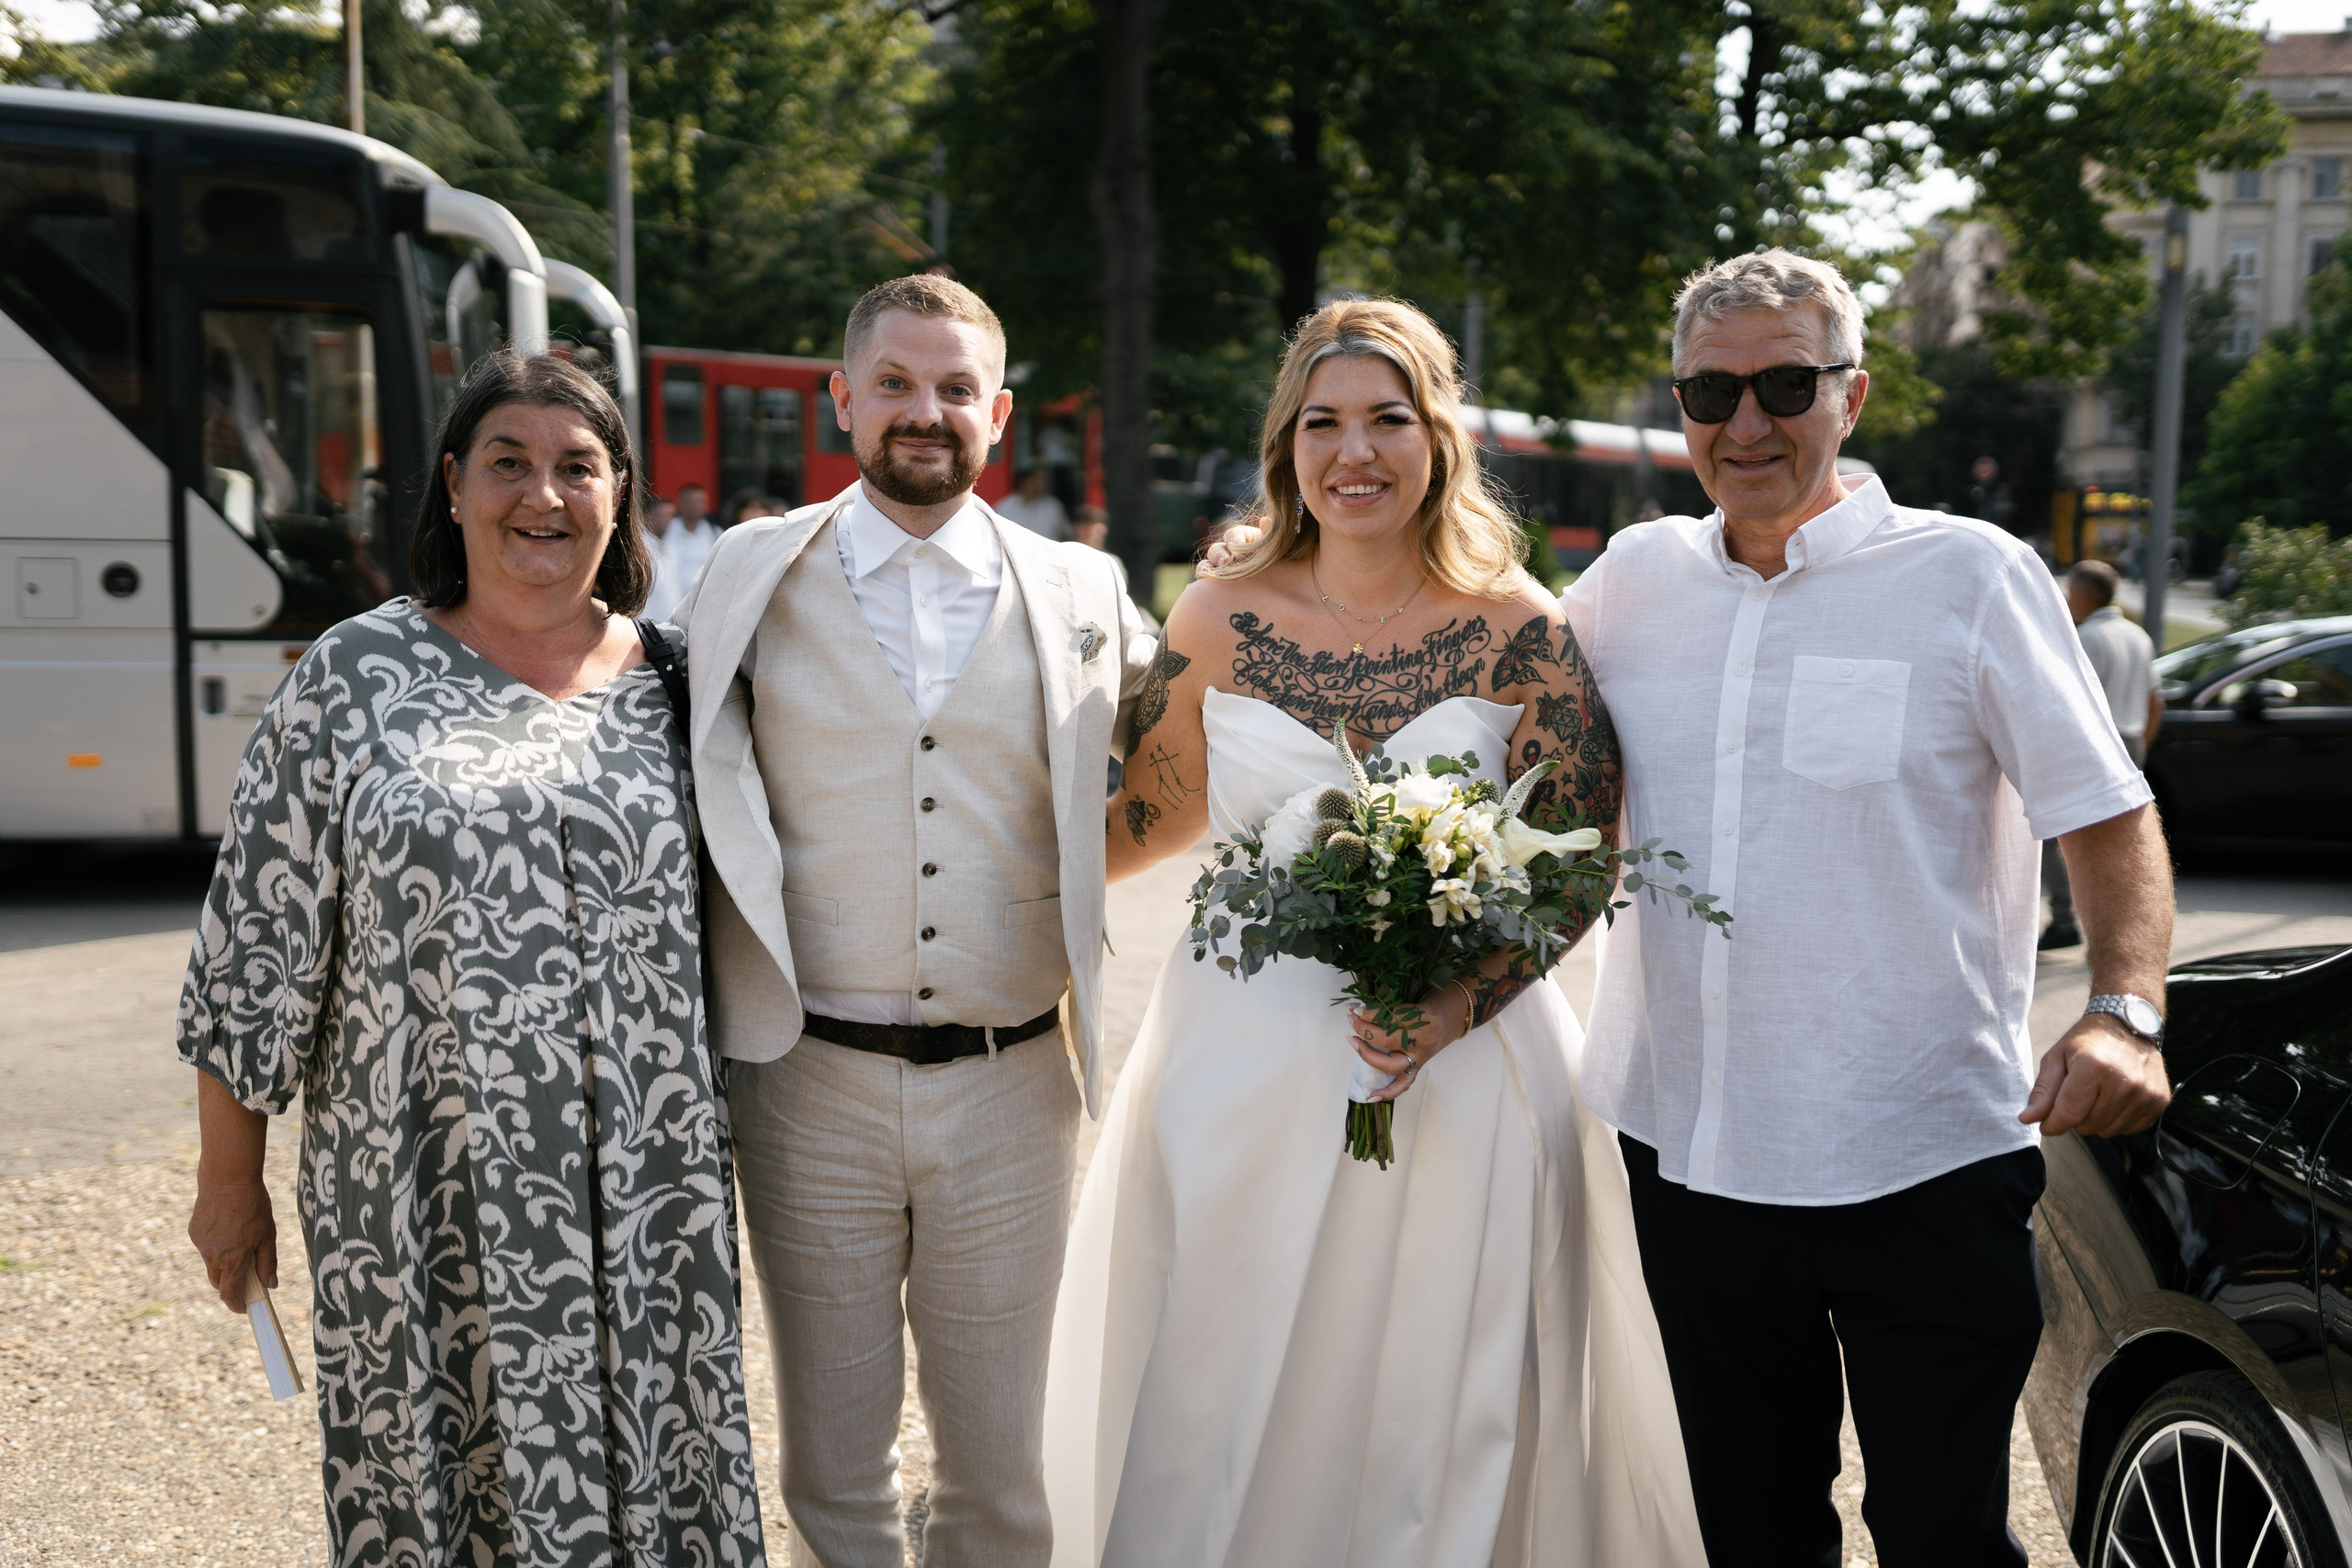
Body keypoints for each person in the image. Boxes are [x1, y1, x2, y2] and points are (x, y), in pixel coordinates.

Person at [1044, 299, 1703, 1566]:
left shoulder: (1523, 630)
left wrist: (1457, 999)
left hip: (1462, 1074)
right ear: (1286, 444)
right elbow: (1147, 821)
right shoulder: (1212, 617)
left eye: (1388, 419)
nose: (1356, 451)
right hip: (1235, 1080)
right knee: (1221, 1383)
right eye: (1323, 422)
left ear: (1437, 437)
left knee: (1439, 1404)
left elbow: (1579, 862)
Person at [1566, 251, 2173, 1568]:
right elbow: (1478, 680)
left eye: (1786, 383)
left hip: (1922, 1152)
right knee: (1749, 1528)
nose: (1746, 424)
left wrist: (2125, 1011)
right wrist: (1281, 559)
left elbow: (2107, 812)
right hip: (1691, 1152)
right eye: (1710, 391)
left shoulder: (1971, 575)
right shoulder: (1626, 579)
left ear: (1854, 395)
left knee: (1945, 1532)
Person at [179, 352, 765, 1566]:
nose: (541, 494)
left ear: (621, 494)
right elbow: (252, 949)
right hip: (420, 1185)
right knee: (440, 1480)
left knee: (656, 1462)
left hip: (646, 1194)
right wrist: (227, 1178)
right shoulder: (352, 678)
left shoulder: (683, 686)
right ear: (453, 485)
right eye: (509, 462)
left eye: (576, 466)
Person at [671, 274, 1157, 1566]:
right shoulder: (745, 573)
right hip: (805, 1076)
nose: (923, 411)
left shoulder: (1086, 589)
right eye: (894, 381)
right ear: (842, 398)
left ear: (996, 412)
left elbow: (1198, 748)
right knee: (833, 1462)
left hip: (1012, 1080)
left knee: (1005, 1465)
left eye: (953, 387)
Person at [2040, 557, 2162, 949]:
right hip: (2133, 740)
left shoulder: (2088, 637)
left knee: (2053, 834)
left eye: (2070, 591)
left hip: (2096, 743)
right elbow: (2154, 700)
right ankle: (2127, 925)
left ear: (2083, 594)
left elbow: (2071, 701)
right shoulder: (2137, 635)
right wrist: (2142, 743)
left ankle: (2064, 919)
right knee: (2120, 841)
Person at [644, 480, 718, 621]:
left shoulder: (713, 532)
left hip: (695, 611)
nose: (697, 505)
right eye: (660, 515)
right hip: (652, 617)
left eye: (701, 501)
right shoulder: (667, 533)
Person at [996, 465, 1069, 539]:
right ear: (1025, 482)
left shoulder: (1053, 507)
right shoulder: (1005, 507)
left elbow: (1066, 535)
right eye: (1036, 479)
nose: (1042, 483)